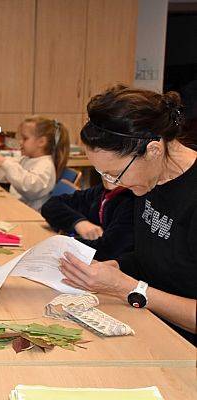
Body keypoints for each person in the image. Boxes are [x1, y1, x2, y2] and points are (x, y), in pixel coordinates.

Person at [58, 85, 196, 344]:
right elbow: (156, 257)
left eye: (115, 174)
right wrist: (115, 267)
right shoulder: (149, 181)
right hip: (149, 325)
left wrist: (127, 287)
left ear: (153, 150)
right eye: (103, 175)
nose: (110, 186)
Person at [0, 116, 70, 211]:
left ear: (41, 142)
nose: (20, 142)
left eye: (25, 138)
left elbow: (29, 188)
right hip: (18, 209)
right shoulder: (27, 159)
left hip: (31, 217)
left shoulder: (46, 166)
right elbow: (3, 174)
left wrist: (6, 164)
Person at [41, 179, 135, 261]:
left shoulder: (132, 202)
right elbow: (50, 206)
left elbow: (109, 250)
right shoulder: (100, 191)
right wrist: (79, 223)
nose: (107, 178)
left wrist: (64, 243)